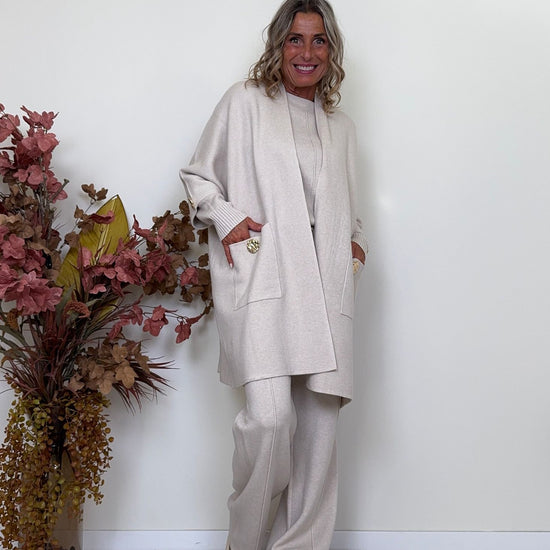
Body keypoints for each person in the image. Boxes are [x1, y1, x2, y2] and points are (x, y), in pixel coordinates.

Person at [180, 1, 367, 548]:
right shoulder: (244, 102)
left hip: (326, 284)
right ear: (277, 45)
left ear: (332, 51)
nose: (306, 52)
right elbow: (198, 176)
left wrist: (355, 250)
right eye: (295, 39)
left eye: (319, 40)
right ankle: (245, 542)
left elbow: (350, 212)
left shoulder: (342, 128)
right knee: (269, 421)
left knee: (318, 437)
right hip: (266, 273)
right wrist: (228, 219)